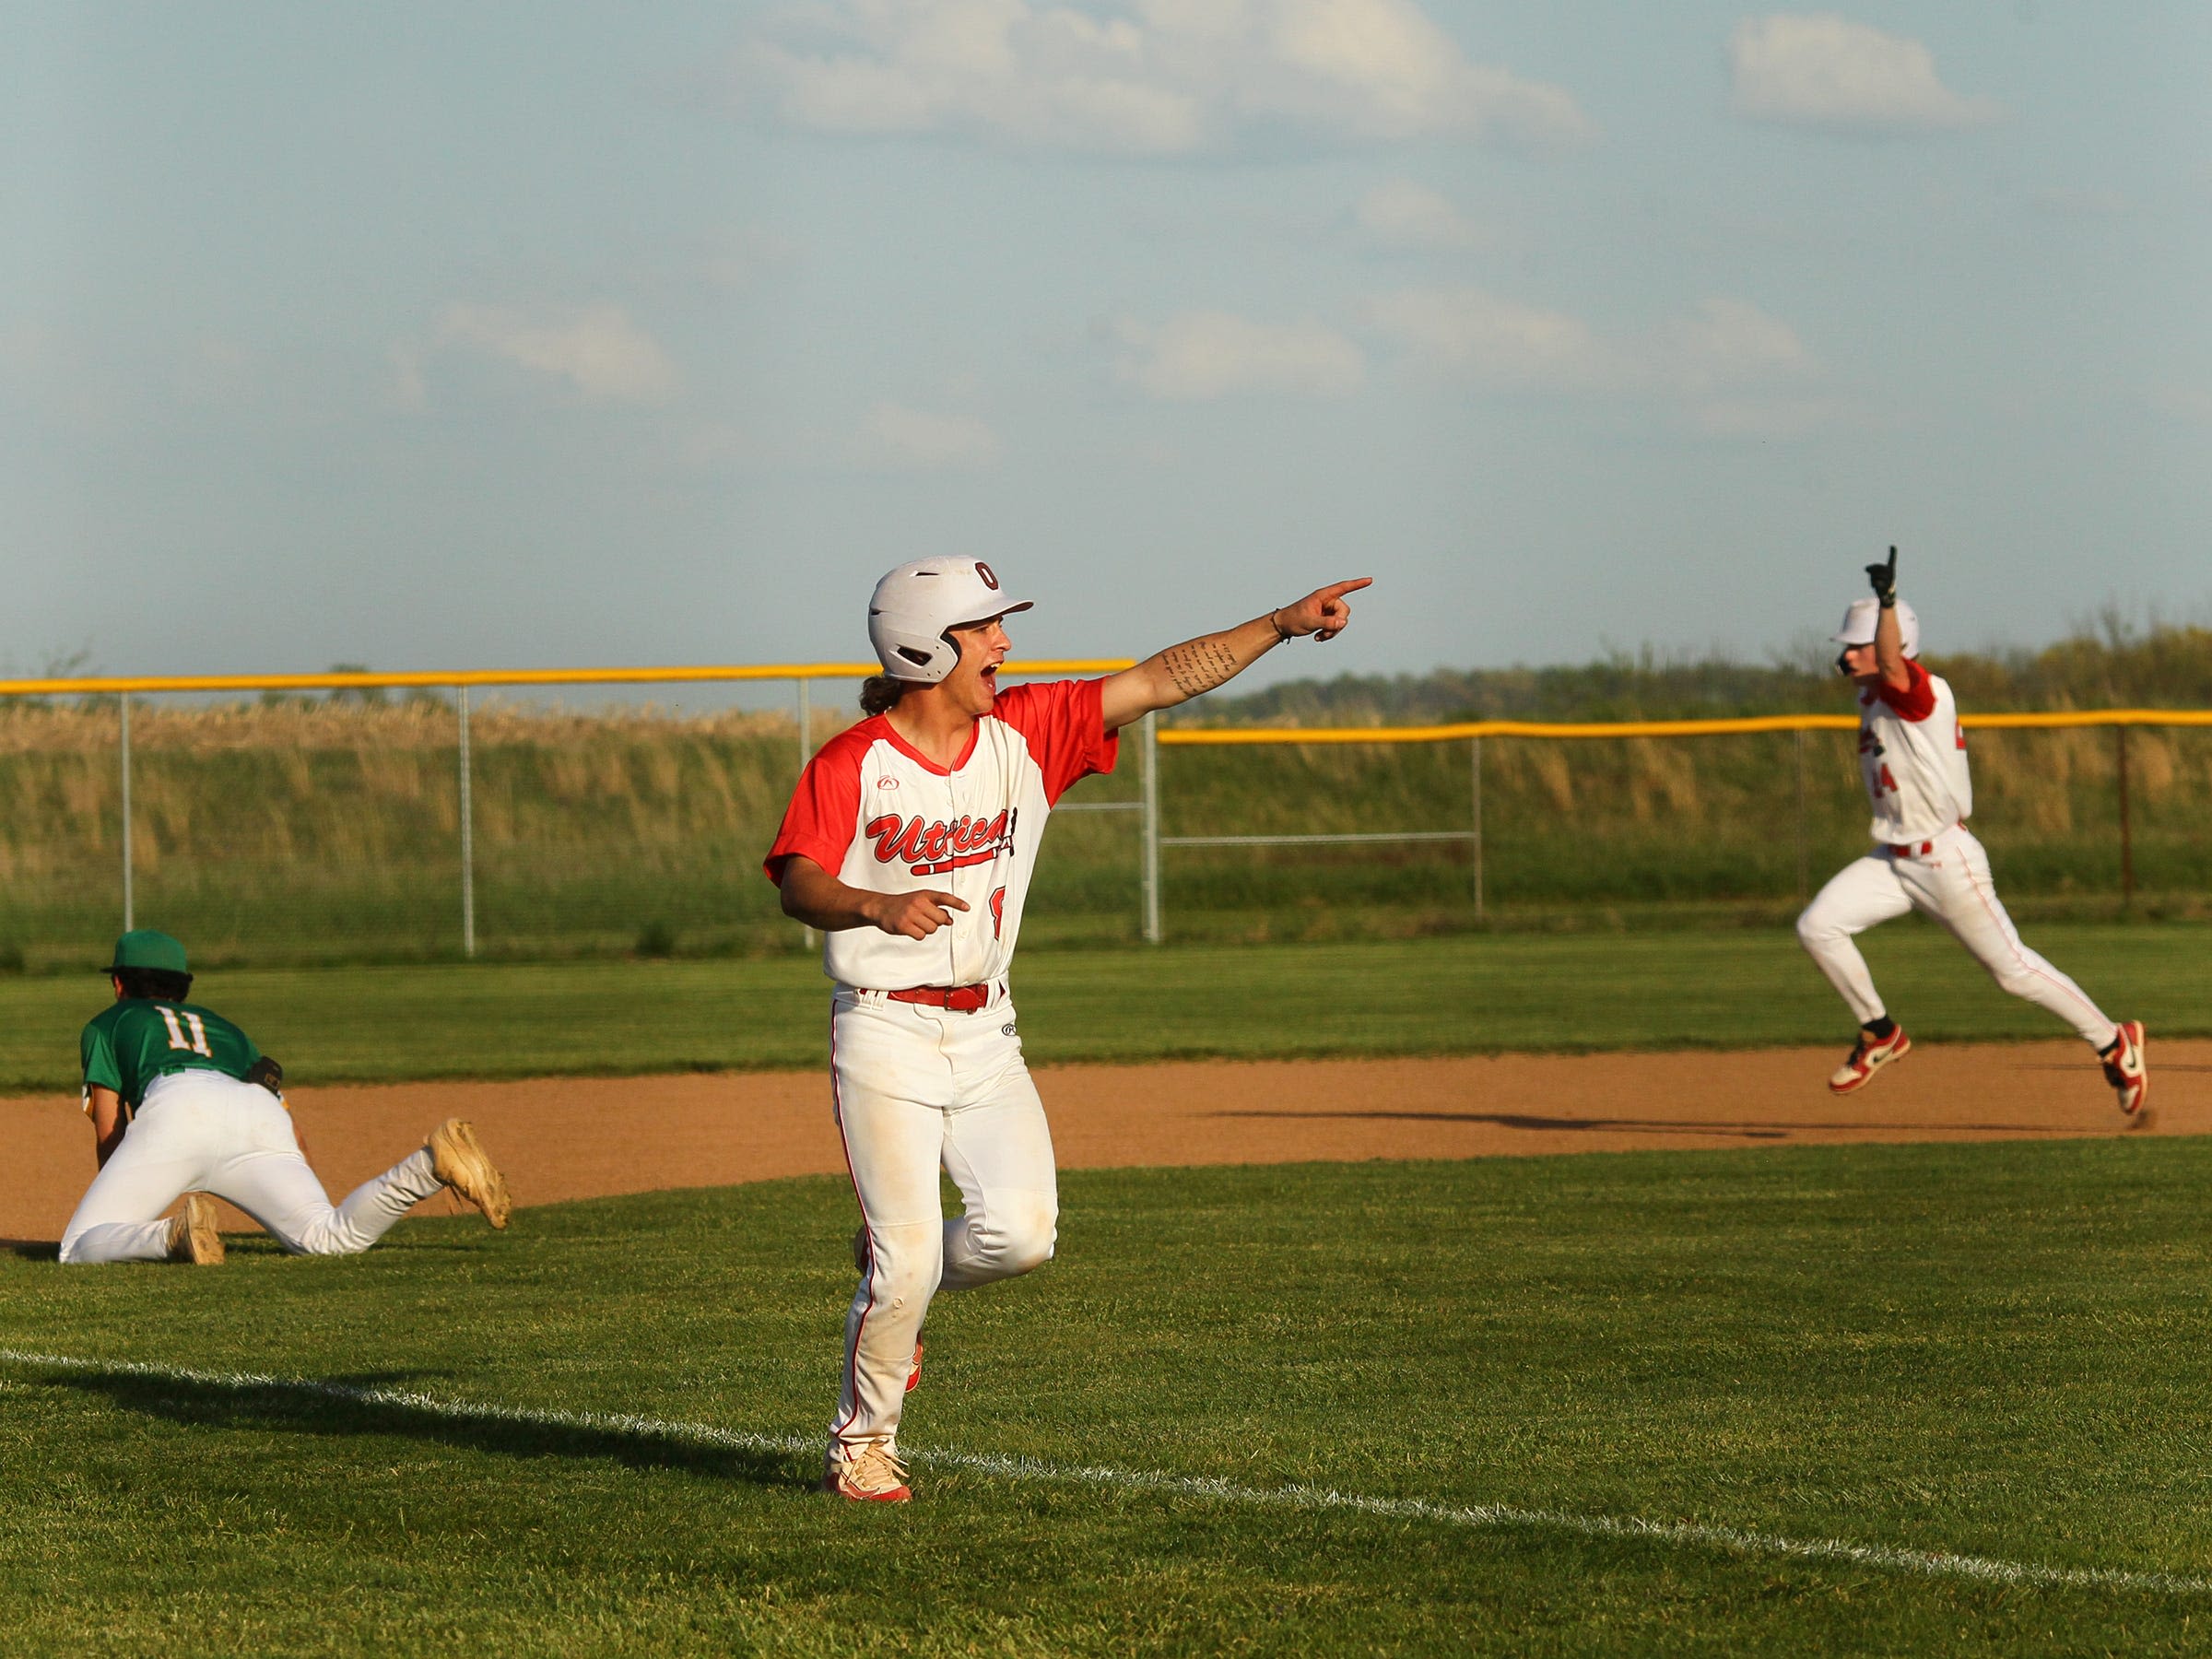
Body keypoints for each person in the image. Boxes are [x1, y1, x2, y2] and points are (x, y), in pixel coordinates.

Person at [765, 559, 1370, 1501]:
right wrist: (871, 908)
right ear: (927, 645)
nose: (1003, 642)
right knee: (913, 1255)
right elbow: (799, 875)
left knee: (1023, 1236)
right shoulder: (855, 764)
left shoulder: (1028, 731)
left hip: (987, 1030)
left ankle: (897, 1274)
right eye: (983, 629)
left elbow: (1165, 677)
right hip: (885, 1032)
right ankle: (863, 1445)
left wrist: (1282, 624)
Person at [1794, 549, 2147, 1114]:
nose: (1847, 653)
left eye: (1855, 644)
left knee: (2013, 972)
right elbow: (1879, 668)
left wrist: (1886, 604)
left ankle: (2112, 1040)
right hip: (1892, 859)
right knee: (1818, 926)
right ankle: (1880, 1032)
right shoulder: (1872, 697)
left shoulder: (1916, 690)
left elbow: (1889, 665)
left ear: (1894, 645)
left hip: (1944, 859)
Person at [62, 929, 512, 1265]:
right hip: (258, 1115)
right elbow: (289, 1126)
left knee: (79, 1245)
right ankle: (429, 1166)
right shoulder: (226, 1029)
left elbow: (109, 1126)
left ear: (119, 985)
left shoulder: (109, 1023)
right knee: (328, 1237)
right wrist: (300, 1191)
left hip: (178, 1108)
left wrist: (123, 1200)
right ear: (183, 987)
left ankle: (171, 1235)